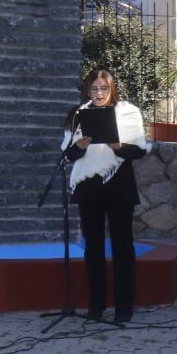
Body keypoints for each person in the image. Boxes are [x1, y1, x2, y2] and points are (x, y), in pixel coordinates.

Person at [62, 68, 148, 323]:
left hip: (118, 184)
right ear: (87, 90)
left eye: (103, 88)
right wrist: (78, 148)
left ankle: (123, 307)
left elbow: (139, 150)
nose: (99, 93)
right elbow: (67, 155)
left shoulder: (128, 112)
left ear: (112, 89)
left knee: (122, 247)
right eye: (94, 88)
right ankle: (96, 306)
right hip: (89, 186)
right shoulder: (78, 115)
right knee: (94, 249)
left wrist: (119, 147)